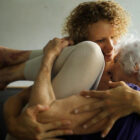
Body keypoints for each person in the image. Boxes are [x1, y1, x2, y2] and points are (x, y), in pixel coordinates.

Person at [2, 0, 140, 140]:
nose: (111, 50)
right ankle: (12, 64)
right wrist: (13, 125)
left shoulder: (125, 95)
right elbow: (17, 100)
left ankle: (15, 62)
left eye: (114, 38)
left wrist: (48, 58)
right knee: (90, 52)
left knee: (89, 52)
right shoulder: (102, 70)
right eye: (101, 40)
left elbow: (39, 117)